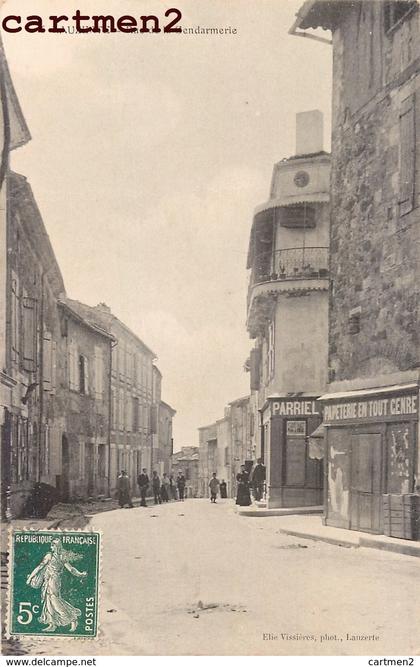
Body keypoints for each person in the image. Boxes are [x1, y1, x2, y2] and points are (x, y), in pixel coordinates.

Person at [26, 538, 87, 632]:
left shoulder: (60, 557)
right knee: (48, 601)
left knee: (54, 600)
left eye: (53, 545)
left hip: (54, 580)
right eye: (51, 545)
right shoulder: (50, 556)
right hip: (48, 580)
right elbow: (40, 567)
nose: (51, 547)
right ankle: (52, 624)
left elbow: (71, 569)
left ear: (57, 546)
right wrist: (30, 578)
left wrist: (80, 574)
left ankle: (72, 619)